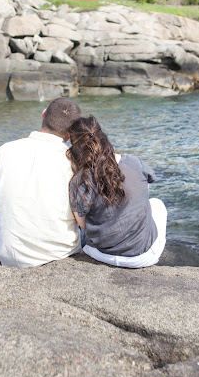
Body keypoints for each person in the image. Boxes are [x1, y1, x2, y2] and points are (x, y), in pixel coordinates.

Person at [0, 97, 82, 268]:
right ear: (72, 132)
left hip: (9, 255)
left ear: (43, 114)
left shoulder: (4, 151)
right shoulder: (73, 162)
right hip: (59, 255)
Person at [67, 115, 167, 268]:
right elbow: (146, 187)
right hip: (143, 257)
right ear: (103, 137)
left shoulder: (80, 180)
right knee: (157, 204)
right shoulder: (133, 162)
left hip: (100, 254)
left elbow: (84, 226)